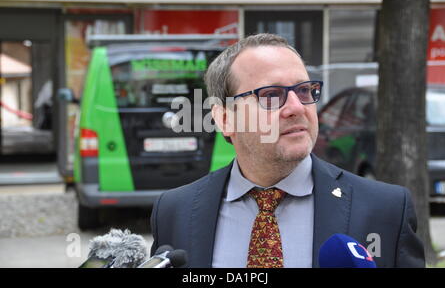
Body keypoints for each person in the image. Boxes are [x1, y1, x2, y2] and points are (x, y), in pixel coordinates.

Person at [150, 33, 425, 268]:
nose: (296, 107)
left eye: (304, 91)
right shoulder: (175, 212)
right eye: (271, 95)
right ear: (224, 119)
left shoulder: (385, 210)